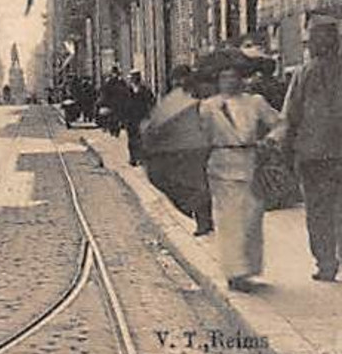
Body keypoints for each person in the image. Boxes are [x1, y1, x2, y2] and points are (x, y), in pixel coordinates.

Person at [202, 65, 283, 292]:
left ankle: (248, 269)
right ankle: (234, 273)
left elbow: (280, 123)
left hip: (250, 163)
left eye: (233, 77)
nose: (228, 82)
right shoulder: (209, 107)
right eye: (223, 77)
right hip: (221, 165)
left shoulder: (254, 102)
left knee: (251, 218)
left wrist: (269, 141)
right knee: (229, 221)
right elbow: (199, 135)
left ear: (241, 80)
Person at [281, 19, 342, 282]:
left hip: (313, 155)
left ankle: (326, 263)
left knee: (318, 210)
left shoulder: (303, 74)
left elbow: (290, 115)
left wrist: (286, 149)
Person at [144, 64, 214, 236]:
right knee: (193, 184)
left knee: (197, 183)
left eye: (179, 80)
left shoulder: (200, 95)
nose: (177, 83)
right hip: (185, 146)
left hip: (197, 145)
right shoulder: (176, 98)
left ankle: (204, 221)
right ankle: (202, 218)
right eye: (176, 81)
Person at [124, 69, 157, 167]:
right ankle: (133, 157)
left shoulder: (144, 90)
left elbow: (151, 102)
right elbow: (123, 103)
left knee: (141, 138)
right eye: (131, 78)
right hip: (130, 118)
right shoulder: (127, 90)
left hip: (141, 117)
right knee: (131, 138)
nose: (132, 80)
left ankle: (141, 157)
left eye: (134, 78)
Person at [99, 66, 130, 137]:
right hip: (112, 102)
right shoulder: (110, 81)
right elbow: (104, 91)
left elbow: (125, 90)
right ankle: (112, 129)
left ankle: (115, 129)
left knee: (117, 117)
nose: (114, 74)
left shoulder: (119, 81)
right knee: (112, 117)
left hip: (118, 102)